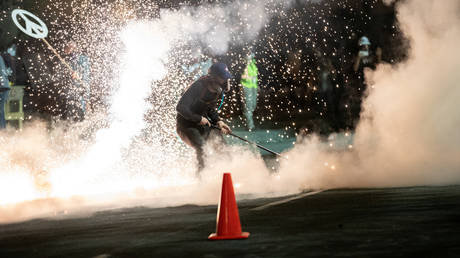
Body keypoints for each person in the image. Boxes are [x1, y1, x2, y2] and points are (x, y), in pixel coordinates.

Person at [176, 62, 233, 174]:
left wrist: (219, 121)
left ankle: (226, 176)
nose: (226, 82)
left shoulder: (217, 91)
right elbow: (180, 107)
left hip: (203, 124)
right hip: (186, 126)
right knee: (202, 149)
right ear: (213, 78)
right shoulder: (198, 86)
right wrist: (198, 119)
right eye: (223, 78)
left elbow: (210, 109)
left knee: (222, 147)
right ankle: (201, 180)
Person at [64, 41, 91, 121]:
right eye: (66, 48)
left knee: (82, 105)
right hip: (71, 90)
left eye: (69, 48)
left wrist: (78, 75)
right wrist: (70, 74)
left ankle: (83, 119)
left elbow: (86, 74)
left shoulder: (83, 58)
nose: (66, 50)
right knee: (71, 106)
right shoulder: (67, 60)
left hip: (81, 87)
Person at [240, 51, 259, 130]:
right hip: (246, 87)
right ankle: (250, 126)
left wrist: (256, 86)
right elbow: (243, 76)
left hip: (253, 87)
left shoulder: (253, 65)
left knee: (253, 105)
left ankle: (248, 123)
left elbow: (255, 76)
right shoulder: (244, 65)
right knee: (248, 106)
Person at [0, 53, 11, 129]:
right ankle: (3, 130)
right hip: (4, 86)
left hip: (2, 86)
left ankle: (2, 131)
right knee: (1, 110)